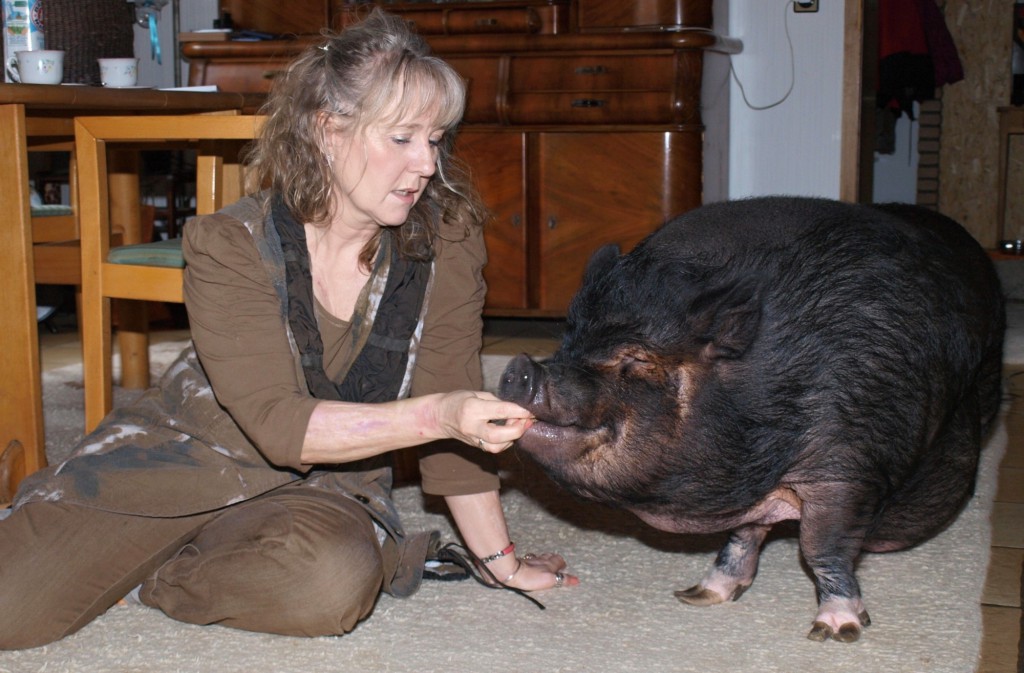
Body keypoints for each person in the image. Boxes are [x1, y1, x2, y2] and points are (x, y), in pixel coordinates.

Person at [0, 9, 576, 650]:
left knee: (328, 585)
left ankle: (160, 575)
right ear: (329, 131)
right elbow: (279, 423)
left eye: (437, 139)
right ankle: (126, 538)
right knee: (10, 610)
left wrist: (502, 563)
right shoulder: (230, 244)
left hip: (323, 483)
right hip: (179, 457)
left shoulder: (447, 240)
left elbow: (450, 390)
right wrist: (438, 414)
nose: (426, 165)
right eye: (402, 138)